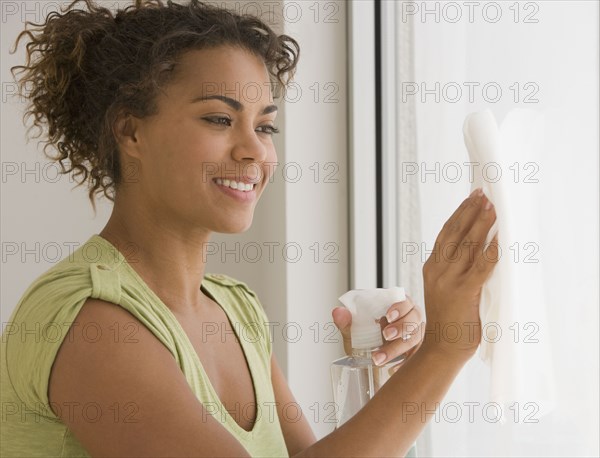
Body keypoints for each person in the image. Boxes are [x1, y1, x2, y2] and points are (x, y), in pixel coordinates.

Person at [0, 0, 498, 456]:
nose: (255, 151)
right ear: (131, 131)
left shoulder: (236, 309)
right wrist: (445, 350)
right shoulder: (91, 322)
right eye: (219, 119)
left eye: (264, 127)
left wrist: (388, 372)